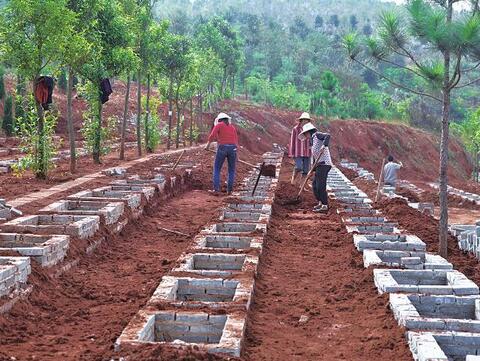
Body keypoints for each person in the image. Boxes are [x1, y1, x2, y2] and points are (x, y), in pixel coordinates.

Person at [299, 121, 332, 213]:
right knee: (314, 185)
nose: (305, 137)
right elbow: (315, 157)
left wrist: (324, 145)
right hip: (319, 165)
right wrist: (312, 169)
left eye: (305, 134)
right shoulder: (312, 141)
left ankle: (325, 205)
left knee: (320, 185)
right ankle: (320, 203)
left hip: (325, 164)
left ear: (308, 132)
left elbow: (327, 136)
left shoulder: (317, 135)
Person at [205, 112, 239, 195]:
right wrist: (236, 153)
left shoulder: (219, 125)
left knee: (217, 169)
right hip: (233, 148)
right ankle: (229, 190)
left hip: (222, 148)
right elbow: (236, 141)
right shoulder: (232, 127)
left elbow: (212, 136)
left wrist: (207, 146)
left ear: (220, 120)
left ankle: (216, 190)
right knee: (231, 170)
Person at [289, 112, 312, 185]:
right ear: (301, 120)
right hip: (298, 151)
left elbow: (312, 141)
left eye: (307, 120)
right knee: (299, 167)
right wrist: (291, 153)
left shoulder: (310, 130)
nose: (305, 121)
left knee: (306, 170)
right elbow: (292, 141)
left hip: (307, 152)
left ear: (308, 121)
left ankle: (302, 186)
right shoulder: (296, 129)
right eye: (304, 120)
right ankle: (293, 180)